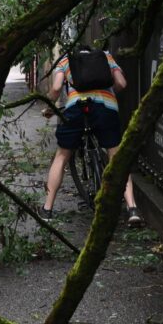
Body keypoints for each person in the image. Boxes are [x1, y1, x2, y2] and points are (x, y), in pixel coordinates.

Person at [41, 49, 142, 227]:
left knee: (62, 155)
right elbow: (121, 83)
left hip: (76, 109)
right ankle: (132, 209)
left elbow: (56, 88)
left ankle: (47, 209)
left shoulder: (66, 59)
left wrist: (49, 108)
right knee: (117, 156)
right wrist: (110, 95)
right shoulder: (106, 55)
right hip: (105, 107)